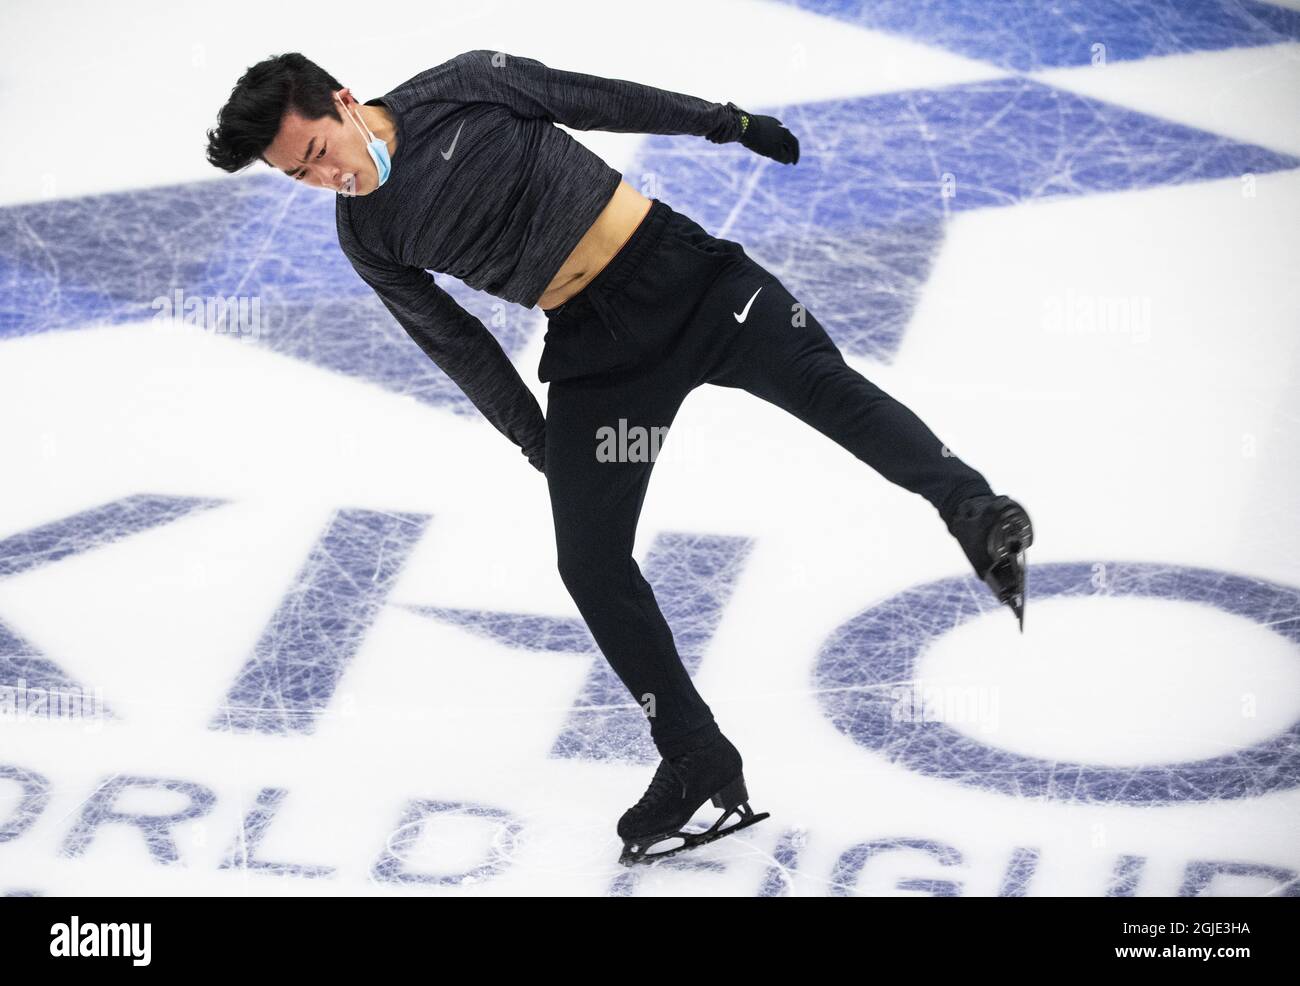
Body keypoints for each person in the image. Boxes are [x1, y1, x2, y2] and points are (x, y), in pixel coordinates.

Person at [205, 48, 1033, 866]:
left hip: (692, 282)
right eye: (298, 179)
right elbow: (453, 342)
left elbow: (595, 97)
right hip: (600, 355)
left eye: (316, 154)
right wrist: (537, 440)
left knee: (825, 387)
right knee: (590, 560)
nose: (325, 181)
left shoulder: (462, 87)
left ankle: (974, 510)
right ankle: (696, 754)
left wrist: (726, 122)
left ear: (344, 102)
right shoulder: (368, 235)